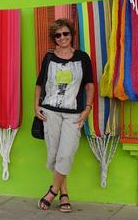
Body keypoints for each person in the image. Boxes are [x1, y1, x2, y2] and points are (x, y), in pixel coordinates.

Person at [34, 18, 94, 213]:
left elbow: (89, 84)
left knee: (66, 153)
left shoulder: (82, 57)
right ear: (54, 38)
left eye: (65, 34)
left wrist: (88, 107)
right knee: (54, 155)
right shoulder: (49, 57)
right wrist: (36, 106)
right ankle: (64, 193)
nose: (62, 38)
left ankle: (52, 191)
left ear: (71, 35)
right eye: (58, 35)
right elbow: (40, 83)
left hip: (73, 114)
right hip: (50, 111)